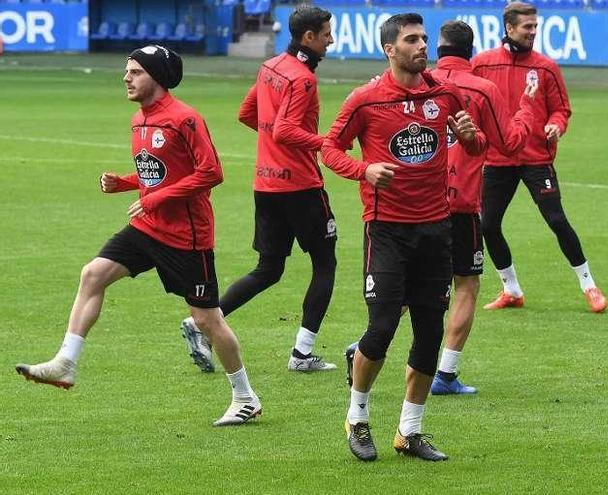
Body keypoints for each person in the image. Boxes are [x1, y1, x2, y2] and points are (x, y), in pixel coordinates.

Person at [15, 46, 261, 427]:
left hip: (186, 237)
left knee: (207, 319)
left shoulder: (185, 118)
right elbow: (157, 174)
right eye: (126, 71)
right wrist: (126, 183)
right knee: (92, 274)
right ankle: (66, 362)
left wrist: (156, 197)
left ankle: (244, 397)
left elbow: (211, 172)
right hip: (148, 226)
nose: (126, 78)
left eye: (135, 72)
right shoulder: (138, 120)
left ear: (157, 76)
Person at [321, 13, 484, 462]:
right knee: (381, 327)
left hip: (437, 228)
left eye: (424, 39)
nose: (422, 46)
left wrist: (471, 139)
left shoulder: (444, 94)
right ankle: (357, 417)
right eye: (411, 40)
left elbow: (474, 146)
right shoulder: (365, 100)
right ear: (389, 49)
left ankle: (409, 431)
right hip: (387, 229)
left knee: (430, 332)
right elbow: (329, 149)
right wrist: (364, 169)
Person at [179, 6, 339, 373]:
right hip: (300, 185)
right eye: (326, 33)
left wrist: (274, 148)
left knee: (268, 268)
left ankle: (198, 322)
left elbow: (247, 113)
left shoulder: (271, 66)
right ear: (309, 37)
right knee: (325, 263)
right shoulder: (303, 79)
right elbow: (284, 130)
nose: (331, 39)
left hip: (266, 183)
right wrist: (324, 141)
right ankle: (302, 354)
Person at [471, 1, 607, 313]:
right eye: (527, 27)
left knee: (556, 220)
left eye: (535, 26)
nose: (533, 32)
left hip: (535, 158)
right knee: (488, 225)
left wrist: (555, 125)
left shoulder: (546, 67)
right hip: (496, 159)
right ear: (509, 28)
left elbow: (562, 109)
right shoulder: (482, 64)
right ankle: (511, 289)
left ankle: (589, 285)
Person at [428, 20, 538, 395]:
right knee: (467, 285)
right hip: (459, 204)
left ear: (437, 48)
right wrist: (525, 109)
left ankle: (365, 347)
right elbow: (509, 144)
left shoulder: (417, 82)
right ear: (470, 50)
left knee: (411, 287)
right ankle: (445, 373)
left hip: (415, 205)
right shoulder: (481, 87)